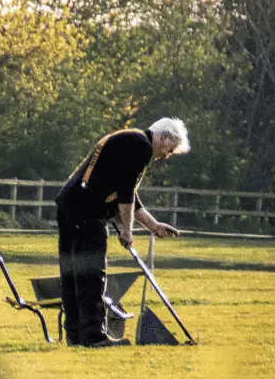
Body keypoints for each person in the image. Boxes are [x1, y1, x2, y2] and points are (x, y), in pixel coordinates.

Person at [55, 118, 190, 348]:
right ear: (164, 136)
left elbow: (127, 195)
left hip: (70, 203)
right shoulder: (141, 146)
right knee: (91, 273)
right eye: (169, 149)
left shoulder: (130, 139)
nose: (166, 156)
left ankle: (75, 336)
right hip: (87, 209)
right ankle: (94, 336)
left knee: (73, 272)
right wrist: (127, 231)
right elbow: (126, 193)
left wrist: (154, 226)